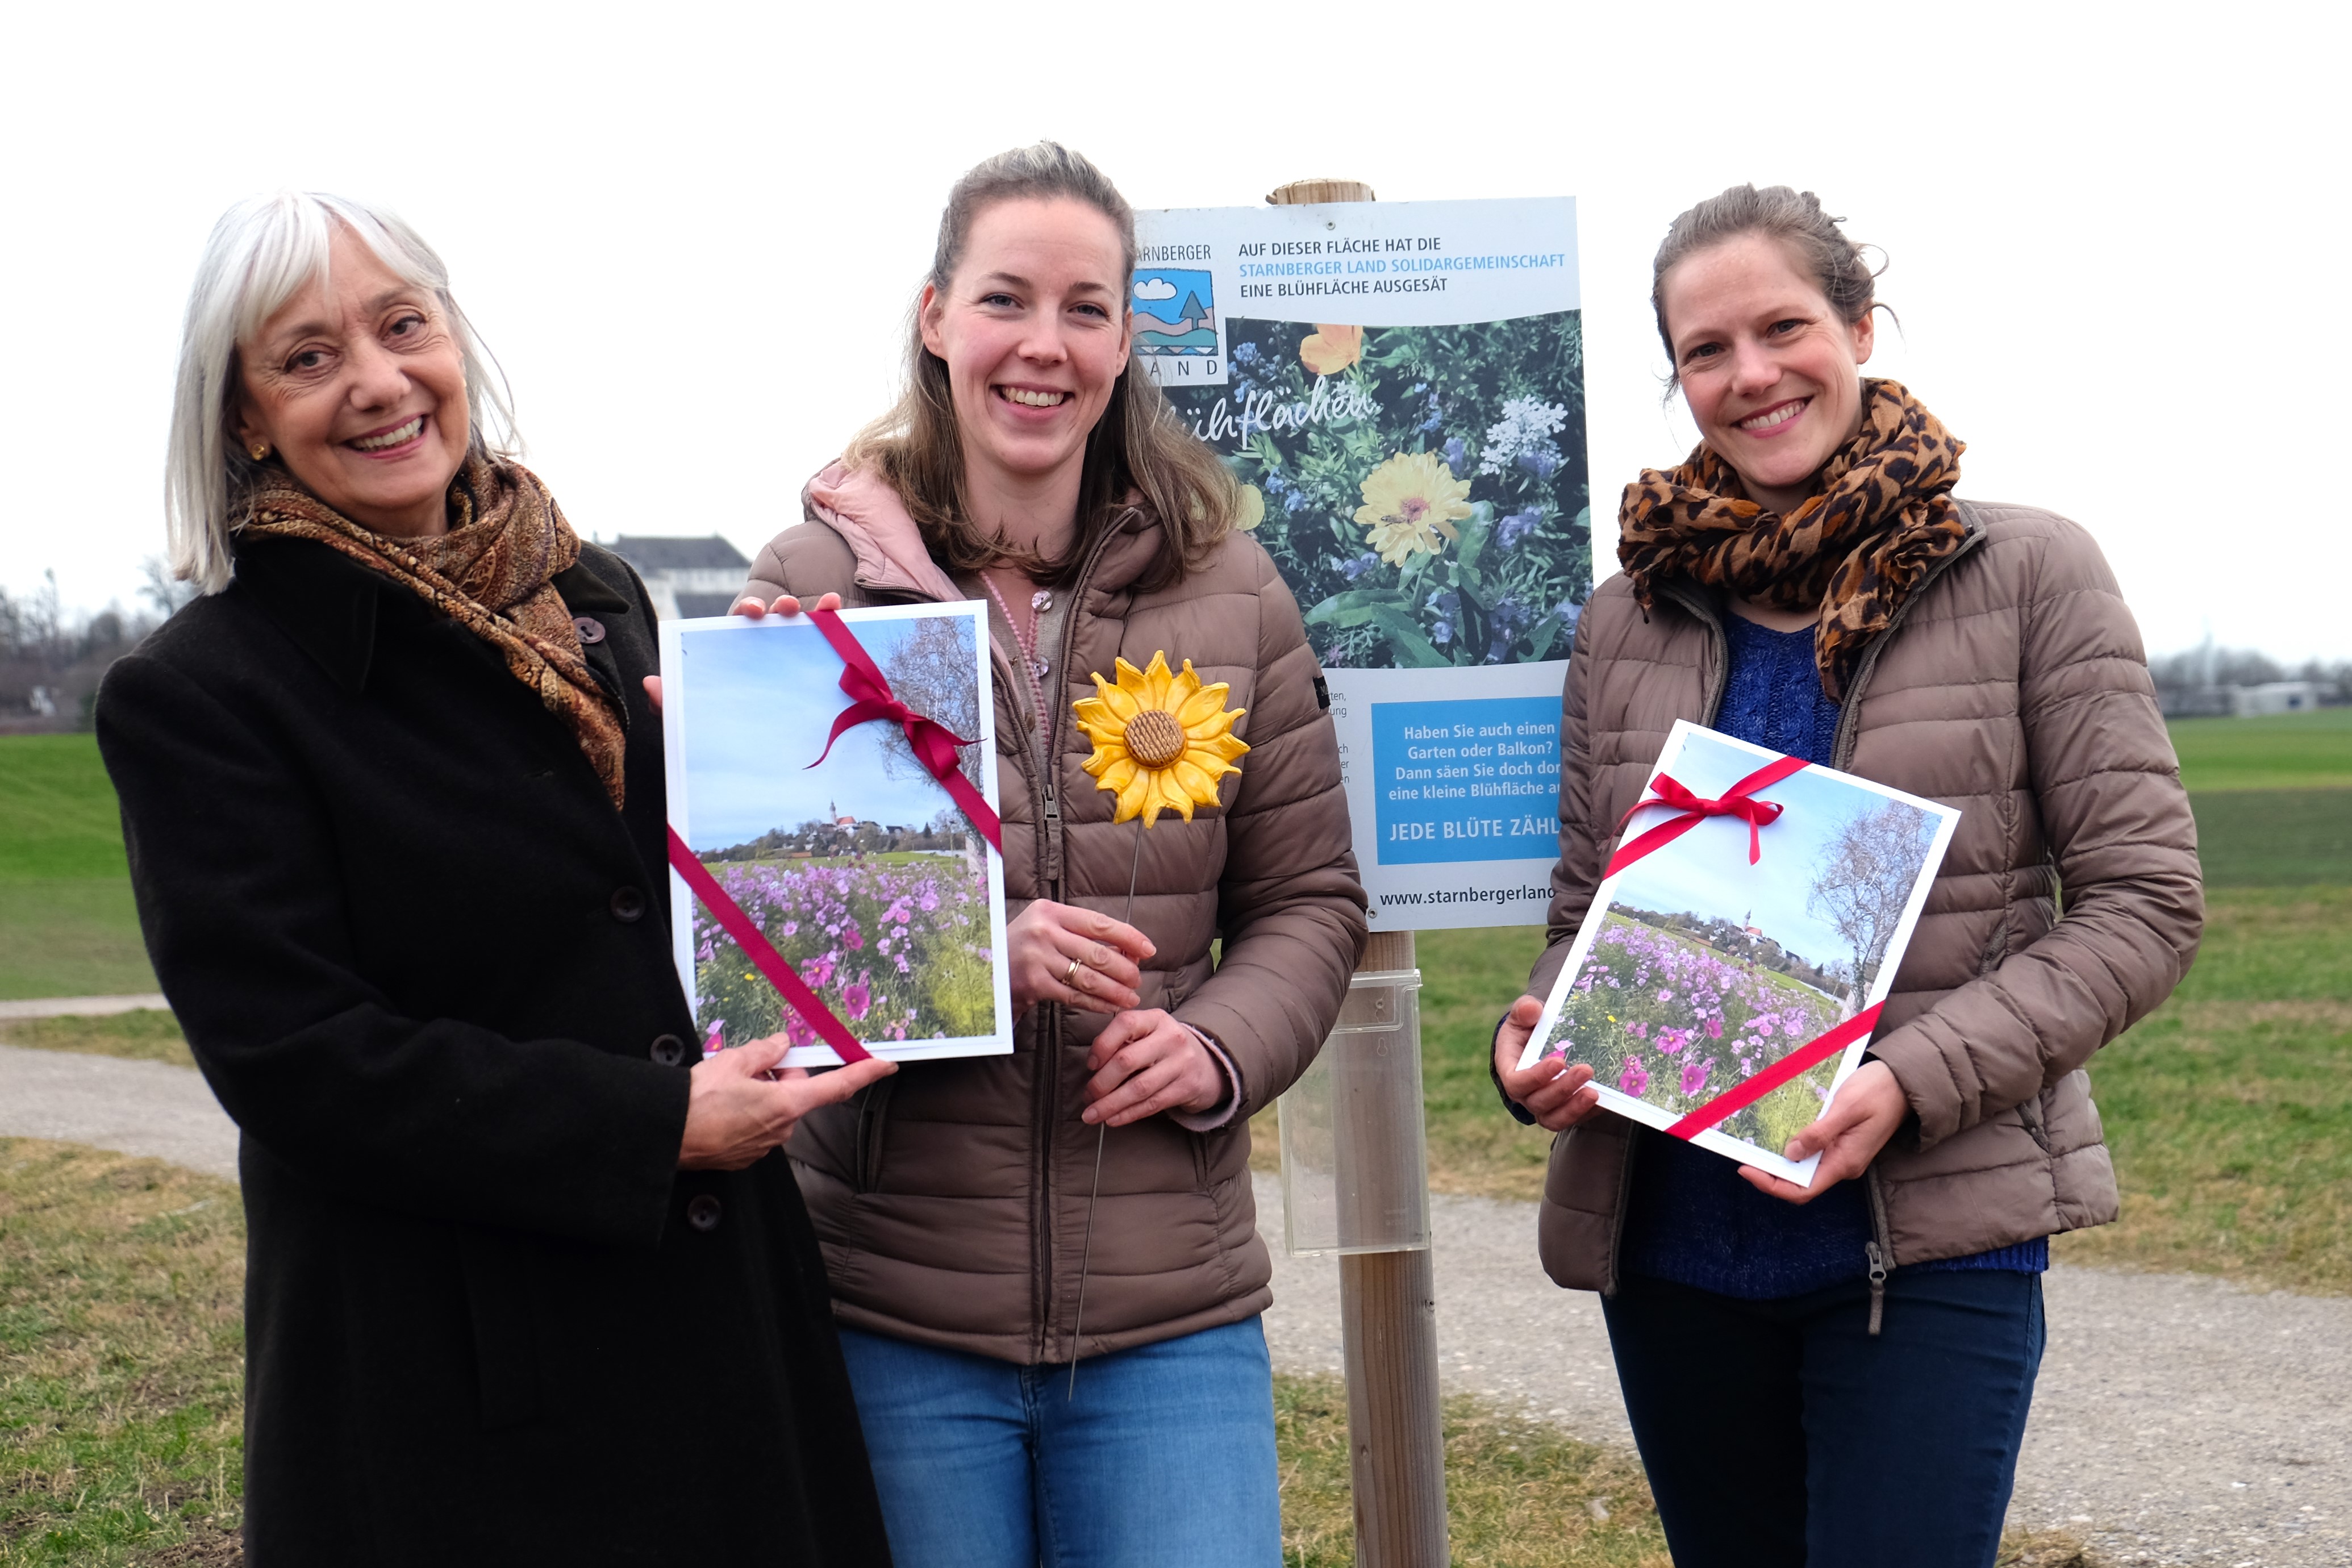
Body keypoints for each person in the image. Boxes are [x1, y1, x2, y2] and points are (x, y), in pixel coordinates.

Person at [99, 191, 896, 1566]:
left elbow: (682, 902)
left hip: (718, 1325)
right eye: (307, 356)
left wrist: (780, 713)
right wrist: (652, 1128)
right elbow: (299, 1059)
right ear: (241, 419)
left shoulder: (596, 597)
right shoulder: (203, 694)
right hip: (456, 1385)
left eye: (404, 326)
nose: (377, 381)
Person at [1491, 185, 2203, 1568]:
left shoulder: (2026, 572)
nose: (1750, 375)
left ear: (1860, 326)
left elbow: (2145, 904)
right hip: (1676, 1255)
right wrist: (1538, 1038)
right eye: (1707, 349)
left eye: (1782, 327)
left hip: (1924, 1249)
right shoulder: (1627, 619)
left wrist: (1913, 1085)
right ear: (1679, 376)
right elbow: (1586, 919)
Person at [733, 143, 1365, 1567]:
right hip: (894, 1311)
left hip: (1171, 1322)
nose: (1045, 345)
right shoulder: (811, 590)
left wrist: (1215, 1051)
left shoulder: (1231, 587)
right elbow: (759, 952)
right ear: (935, 317)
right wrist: (974, 945)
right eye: (1007, 299)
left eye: (1087, 308)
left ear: (1127, 340)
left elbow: (1311, 901)